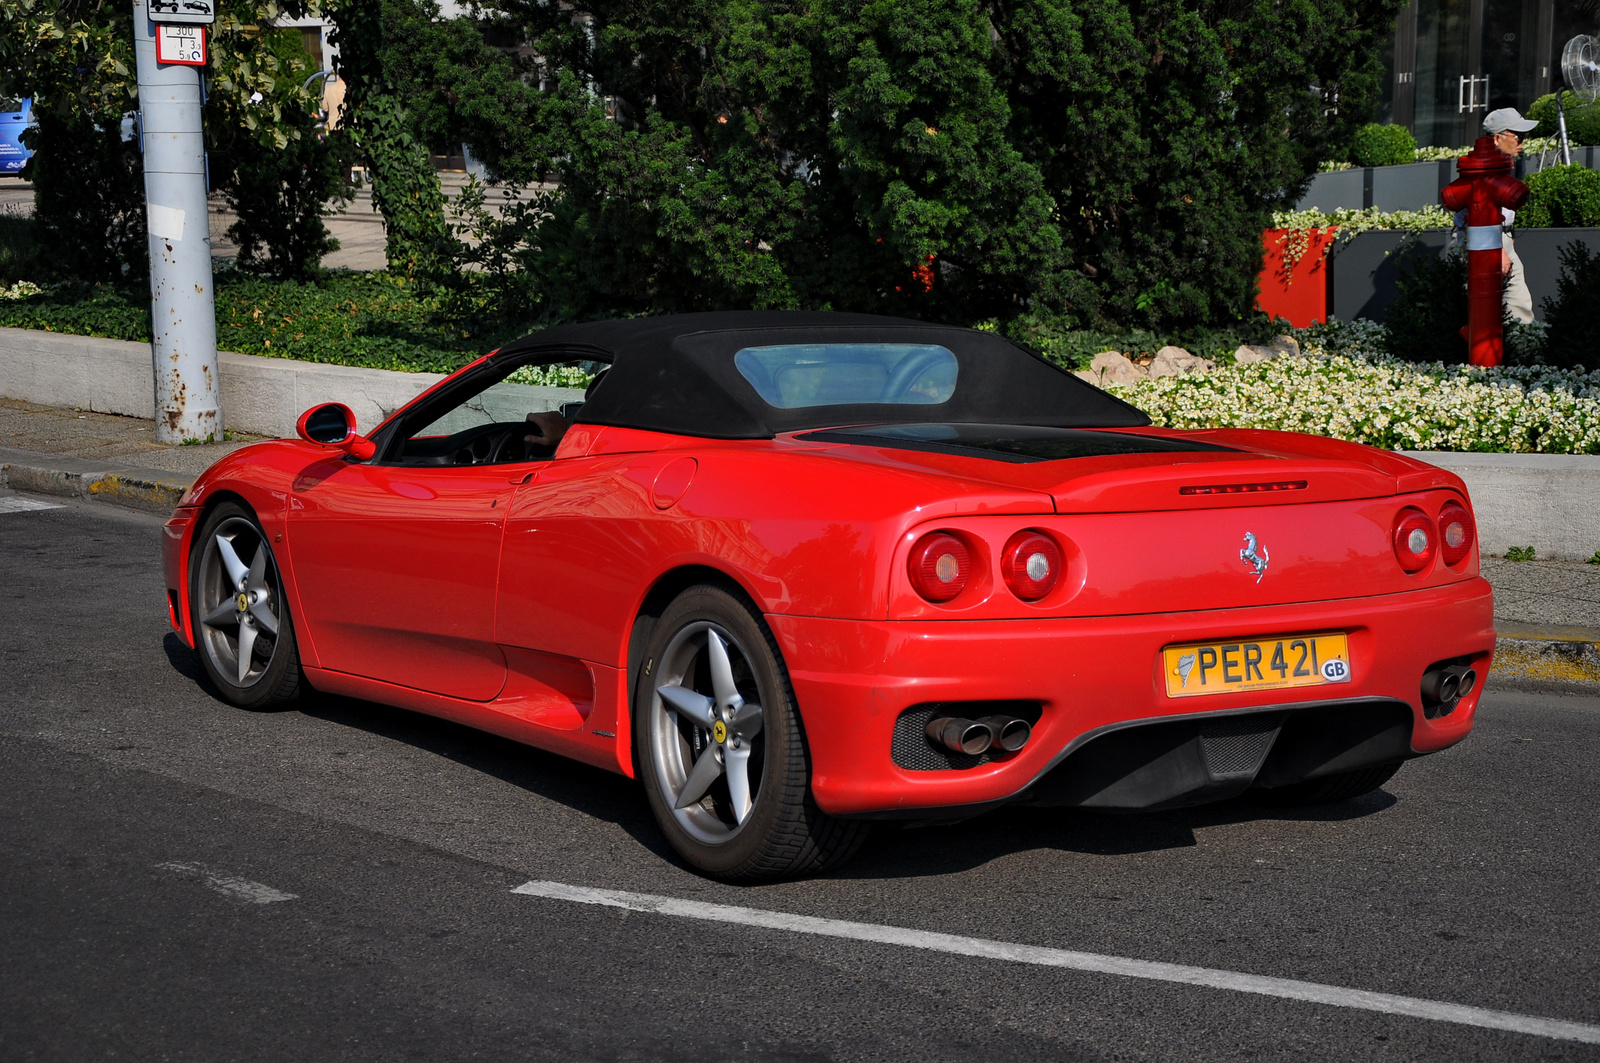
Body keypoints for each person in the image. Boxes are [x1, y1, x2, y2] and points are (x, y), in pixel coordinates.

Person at [1476, 107, 1540, 323]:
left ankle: (1519, 350)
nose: (1522, 142)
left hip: (1499, 241)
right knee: (1486, 313)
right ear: (1497, 138)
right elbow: (1480, 214)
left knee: (1517, 307)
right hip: (1485, 243)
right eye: (1518, 136)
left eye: (1525, 136)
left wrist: (1507, 238)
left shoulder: (1501, 166)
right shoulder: (1483, 168)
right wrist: (1499, 250)